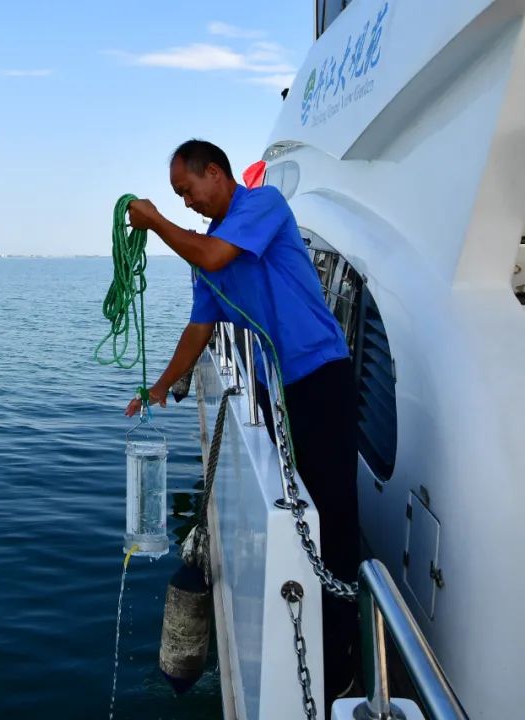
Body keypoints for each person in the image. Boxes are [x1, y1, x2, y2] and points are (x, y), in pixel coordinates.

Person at [123, 139, 360, 705]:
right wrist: (159, 387)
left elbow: (212, 258)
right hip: (276, 390)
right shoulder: (208, 253)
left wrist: (154, 220)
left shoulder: (263, 205)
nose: (186, 204)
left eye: (188, 191)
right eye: (177, 198)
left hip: (320, 378)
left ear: (215, 173)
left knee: (334, 518)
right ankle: (315, 621)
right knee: (300, 504)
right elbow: (198, 329)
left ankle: (344, 659)